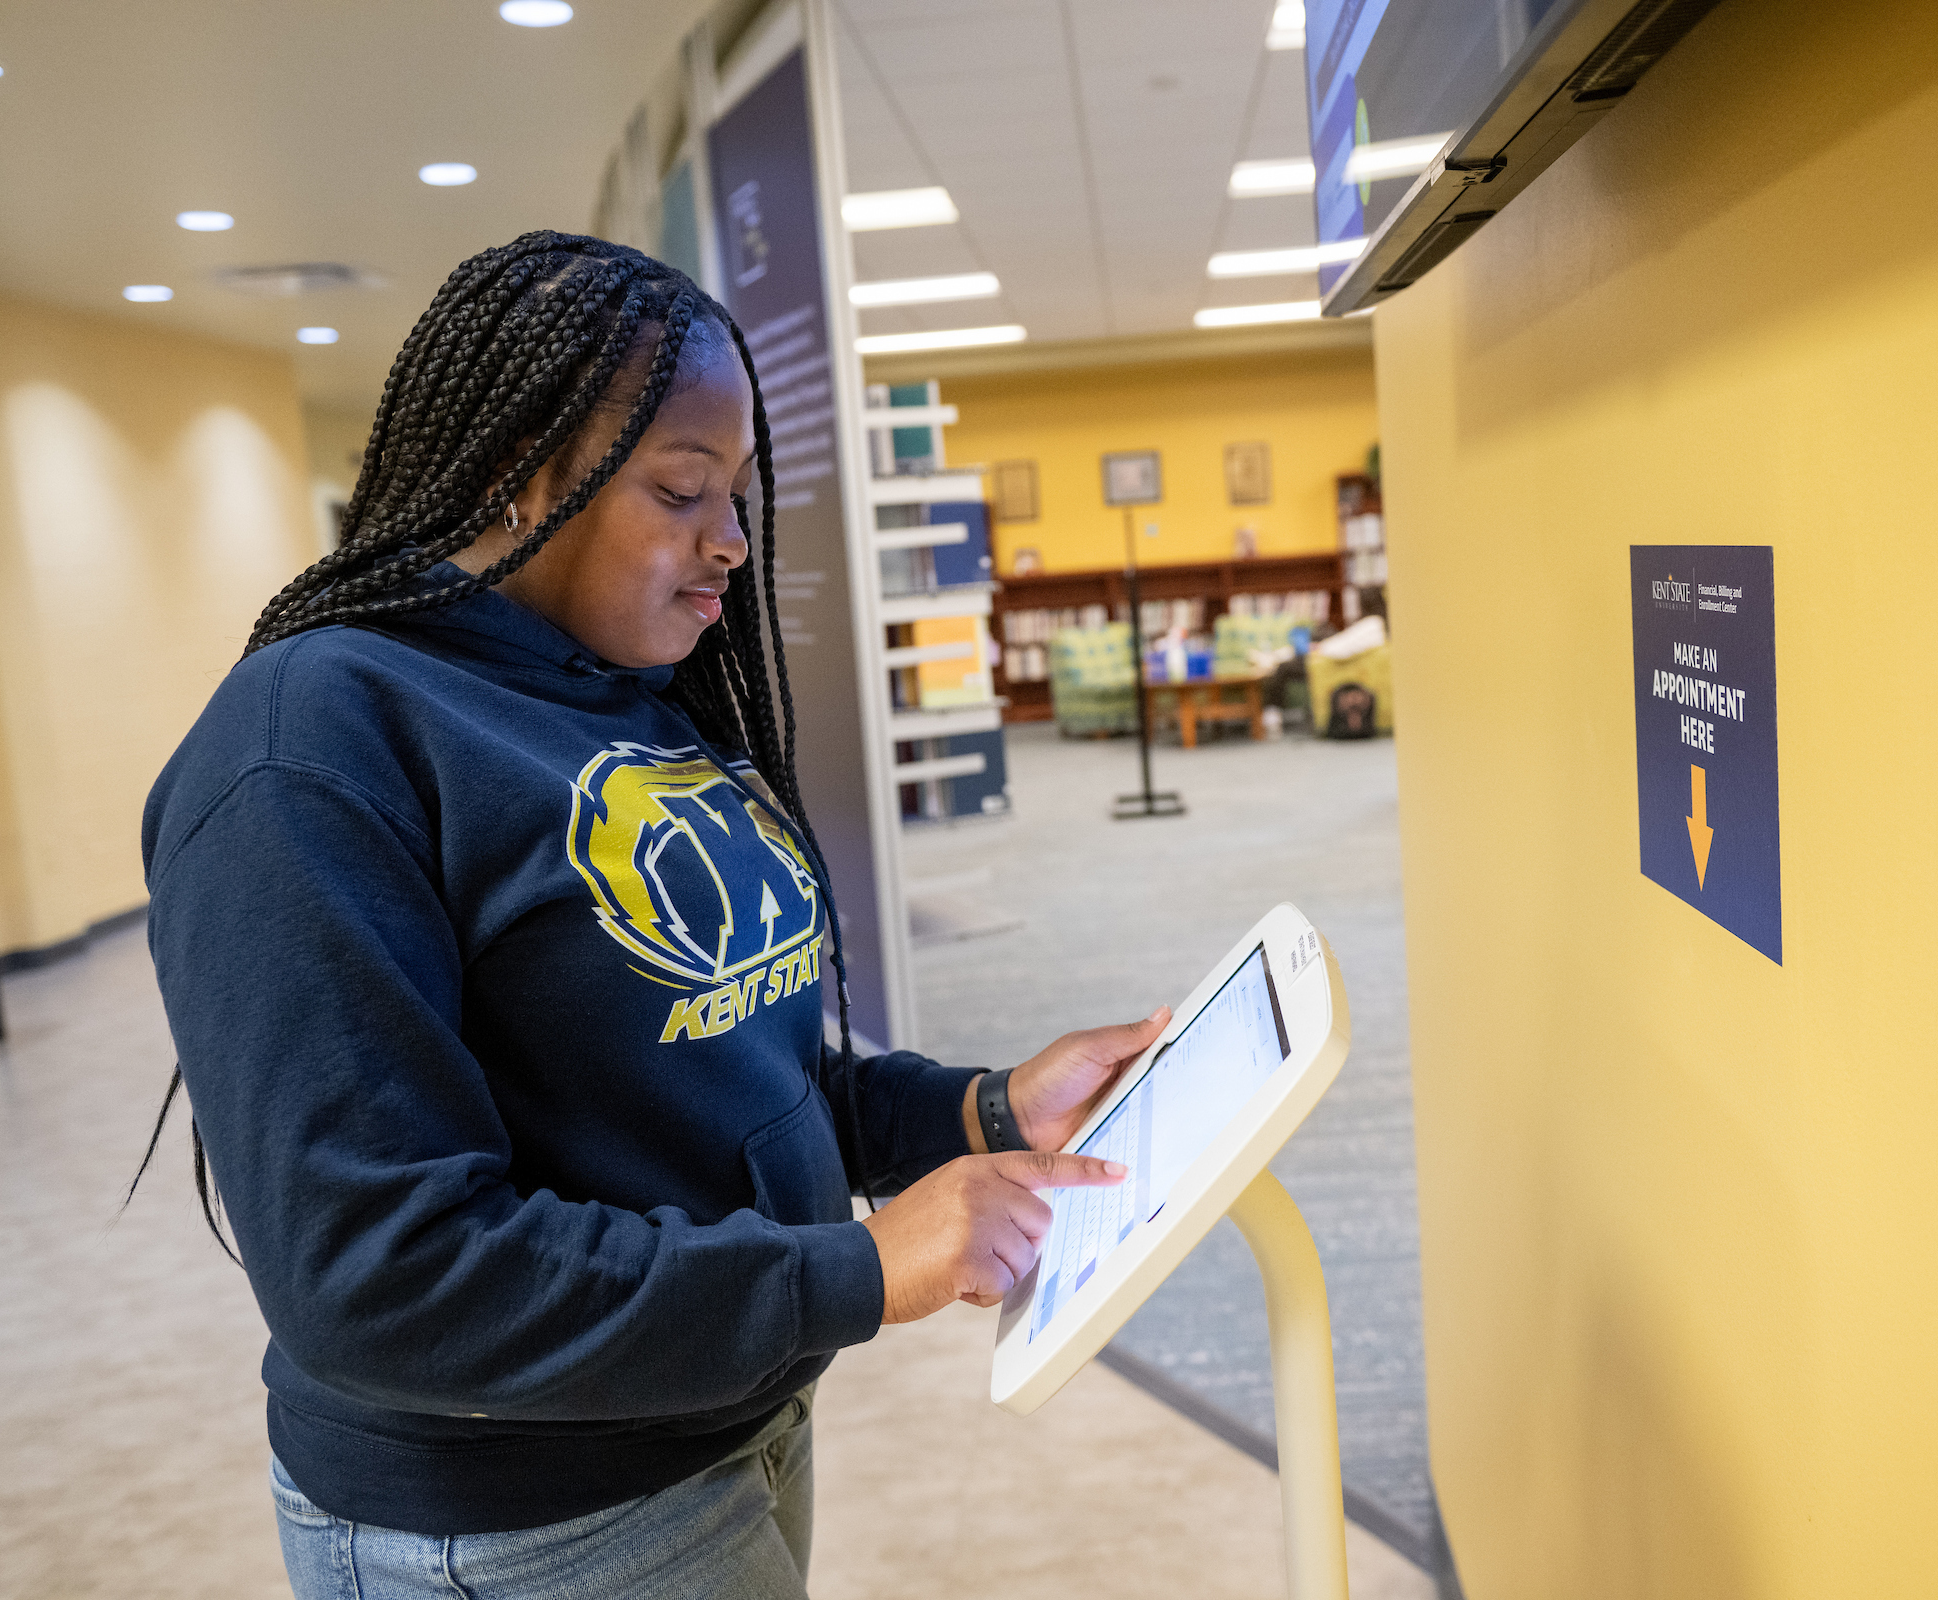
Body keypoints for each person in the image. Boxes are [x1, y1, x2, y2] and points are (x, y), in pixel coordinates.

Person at [137, 232, 1167, 1599]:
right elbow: (379, 1274)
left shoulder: (618, 686)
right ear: (515, 471)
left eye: (739, 494)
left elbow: (718, 1072)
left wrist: (978, 1114)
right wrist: (853, 1271)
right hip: (522, 1524)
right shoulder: (309, 747)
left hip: (721, 1424)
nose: (733, 542)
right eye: (685, 490)